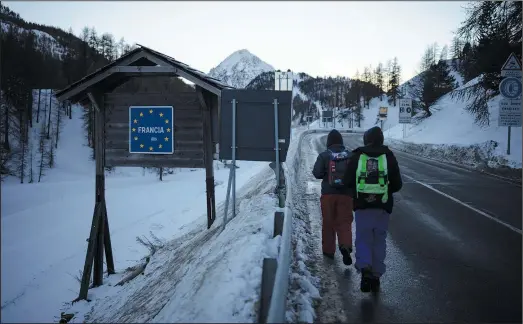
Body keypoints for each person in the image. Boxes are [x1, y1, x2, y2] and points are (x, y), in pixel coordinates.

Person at [343, 126, 403, 293]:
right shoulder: (389, 156)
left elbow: (347, 181)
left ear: (366, 139)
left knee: (363, 238)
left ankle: (365, 270)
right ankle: (376, 276)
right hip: (383, 206)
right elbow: (398, 184)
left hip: (362, 205)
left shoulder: (357, 155)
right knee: (379, 240)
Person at [312, 129, 354, 265]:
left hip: (328, 196)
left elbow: (317, 173)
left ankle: (328, 251)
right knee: (345, 222)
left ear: (329, 143)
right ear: (341, 142)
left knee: (328, 223)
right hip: (346, 196)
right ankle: (345, 246)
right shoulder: (350, 155)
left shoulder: (324, 155)